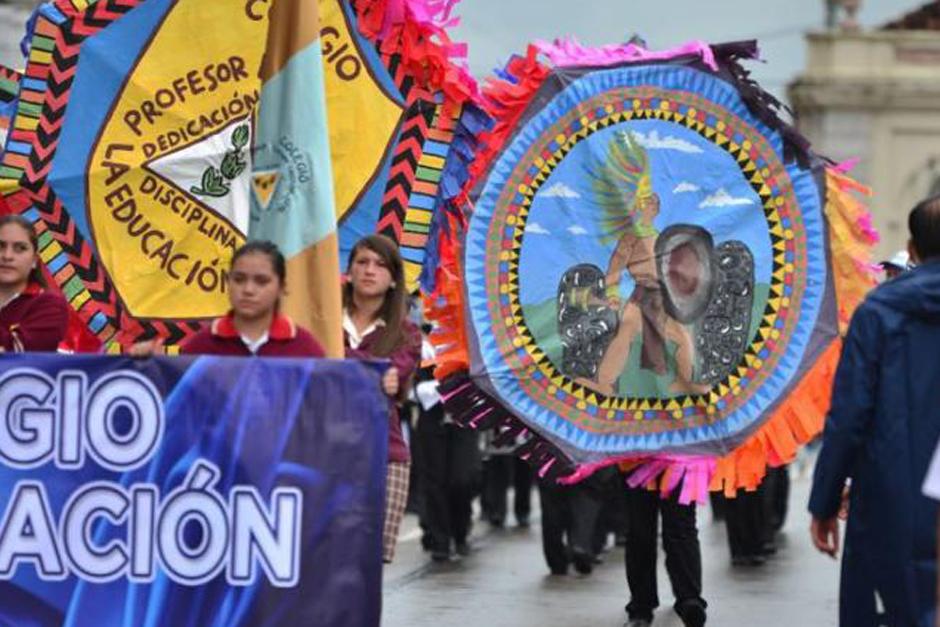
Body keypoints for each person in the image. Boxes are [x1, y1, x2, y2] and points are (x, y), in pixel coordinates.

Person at [809, 196, 940, 626]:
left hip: (893, 495)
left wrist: (826, 499)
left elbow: (850, 415)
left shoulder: (879, 311)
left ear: (913, 249)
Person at [343, 235, 421, 564]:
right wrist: (373, 370)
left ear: (392, 279)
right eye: (362, 262)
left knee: (369, 564)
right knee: (322, 558)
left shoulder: (407, 334)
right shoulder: (323, 317)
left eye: (380, 265)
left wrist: (344, 362)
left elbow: (394, 374)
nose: (369, 270)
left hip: (385, 453)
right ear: (349, 271)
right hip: (324, 450)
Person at [179, 240, 325, 357]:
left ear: (281, 287)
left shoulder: (304, 349)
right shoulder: (200, 347)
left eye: (261, 281)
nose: (248, 290)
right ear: (227, 282)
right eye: (239, 279)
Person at [413, 329, 481, 562]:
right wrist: (444, 387)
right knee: (434, 481)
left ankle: (460, 531)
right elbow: (414, 388)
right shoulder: (422, 344)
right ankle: (440, 540)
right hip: (432, 422)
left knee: (463, 479)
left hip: (463, 421)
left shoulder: (468, 338)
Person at [622, 483, 707, 627]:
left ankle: (689, 599)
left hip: (680, 469)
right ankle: (641, 606)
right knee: (639, 530)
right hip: (637, 469)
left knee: (681, 526)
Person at [0, 214, 68, 352]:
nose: (7, 256)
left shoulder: (51, 304)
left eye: (20, 248)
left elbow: (19, 353)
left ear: (34, 260)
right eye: (0, 246)